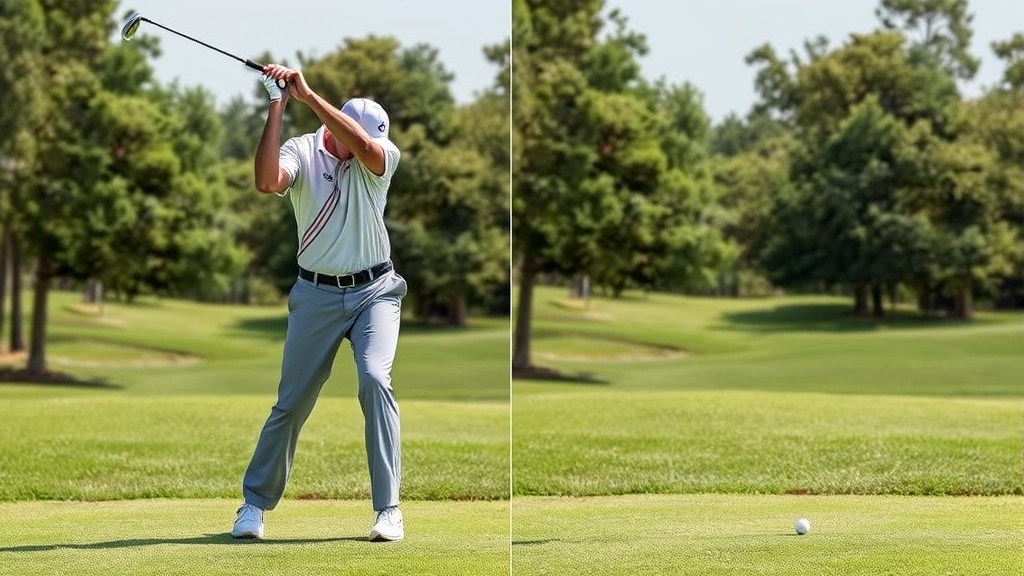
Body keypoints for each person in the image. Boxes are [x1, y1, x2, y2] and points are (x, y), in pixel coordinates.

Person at [230, 64, 407, 542]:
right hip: (315, 294)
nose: (364, 144)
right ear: (334, 130)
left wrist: (308, 96)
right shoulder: (302, 150)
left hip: (375, 291)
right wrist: (278, 104)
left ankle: (388, 509)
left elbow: (367, 147)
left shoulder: (381, 157)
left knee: (375, 379)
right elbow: (267, 181)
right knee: (292, 402)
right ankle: (254, 505)